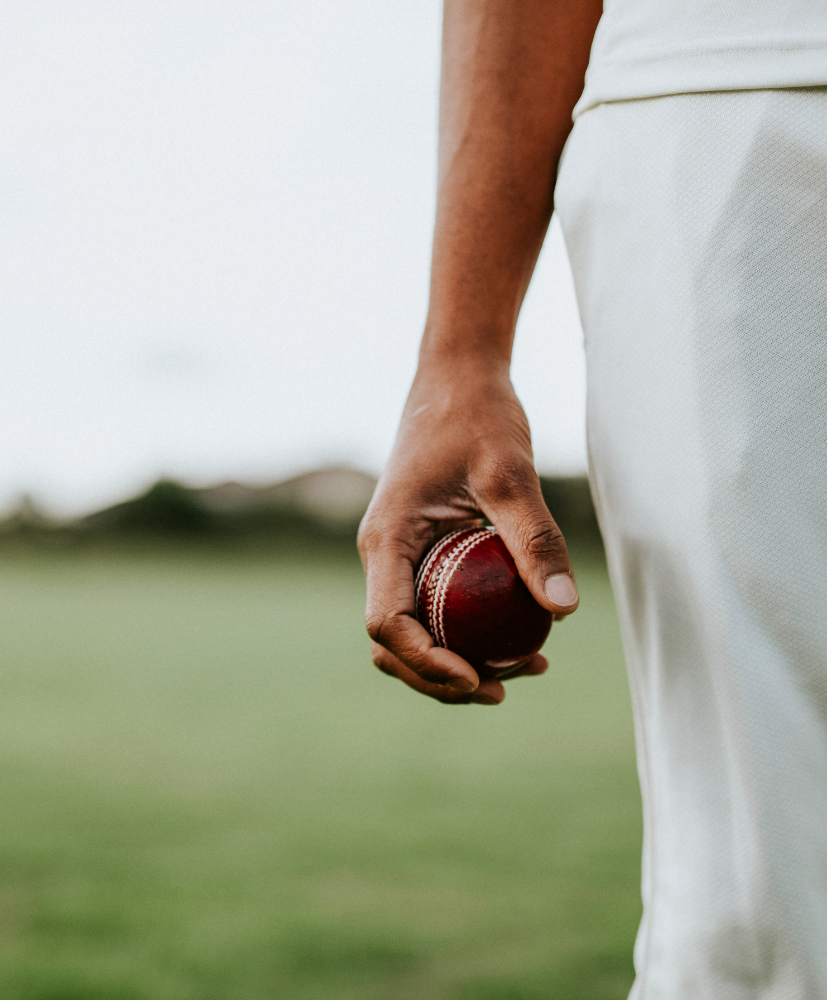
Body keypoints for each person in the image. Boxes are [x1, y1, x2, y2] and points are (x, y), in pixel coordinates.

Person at [357, 1, 827, 995]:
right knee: (767, 902)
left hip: (734, 102)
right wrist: (459, 354)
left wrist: (462, 349)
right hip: (744, 75)